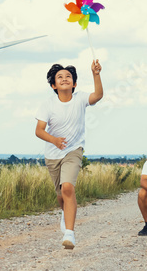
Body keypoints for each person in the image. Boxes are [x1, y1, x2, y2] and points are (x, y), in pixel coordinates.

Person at [35, 60, 103, 250]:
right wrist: (54, 140)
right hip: (53, 154)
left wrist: (96, 74)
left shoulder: (80, 98)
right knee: (60, 195)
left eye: (68, 77)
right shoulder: (47, 104)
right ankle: (65, 214)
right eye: (60, 77)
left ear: (74, 83)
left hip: (73, 150)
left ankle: (70, 234)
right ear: (53, 85)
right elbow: (39, 130)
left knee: (68, 188)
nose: (64, 79)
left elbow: (98, 95)